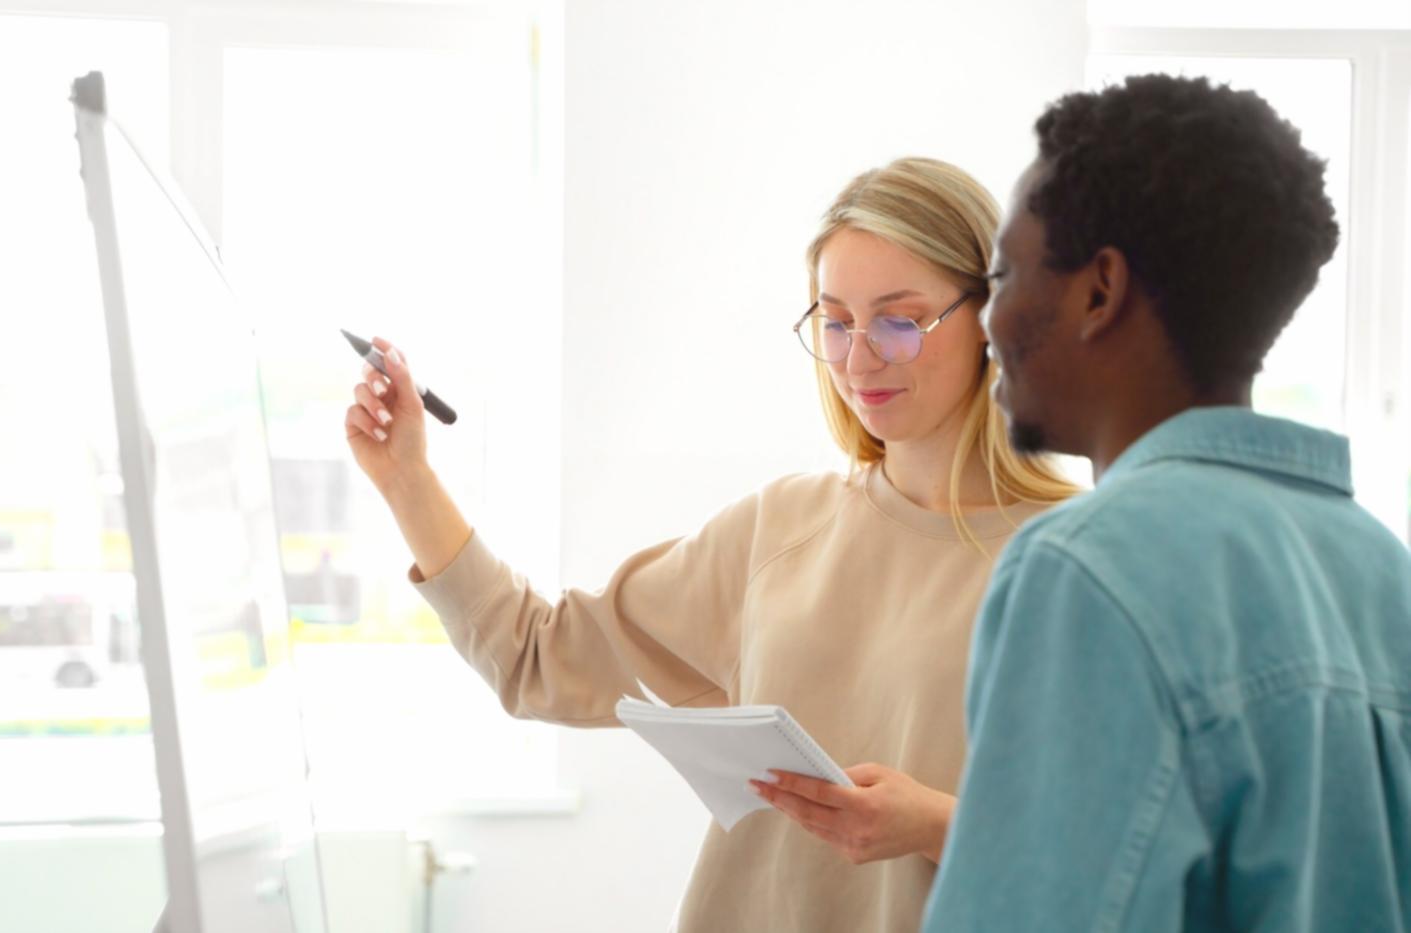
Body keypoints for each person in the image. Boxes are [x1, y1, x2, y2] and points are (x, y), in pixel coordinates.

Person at [345, 157, 1079, 932]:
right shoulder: (781, 527)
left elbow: (1143, 864)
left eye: (898, 322)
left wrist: (936, 823)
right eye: (834, 322)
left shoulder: (1077, 563)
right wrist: (406, 480)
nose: (858, 360)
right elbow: (534, 655)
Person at [918, 74, 1411, 931]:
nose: (988, 321)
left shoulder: (1087, 569)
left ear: (1098, 291)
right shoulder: (1380, 570)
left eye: (1002, 275)